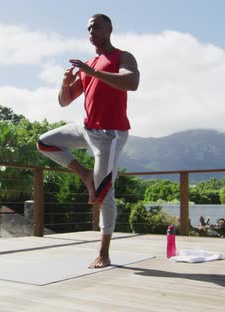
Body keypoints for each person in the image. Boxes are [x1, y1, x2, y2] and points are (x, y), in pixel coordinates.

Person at [37, 13, 140, 268]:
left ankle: (104, 252)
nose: (91, 31)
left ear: (109, 29)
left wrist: (91, 71)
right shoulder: (89, 64)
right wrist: (65, 84)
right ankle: (85, 175)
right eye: (88, 28)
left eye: (96, 27)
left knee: (105, 194)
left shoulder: (122, 57)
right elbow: (64, 101)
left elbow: (132, 82)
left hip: (110, 135)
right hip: (86, 128)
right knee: (44, 142)